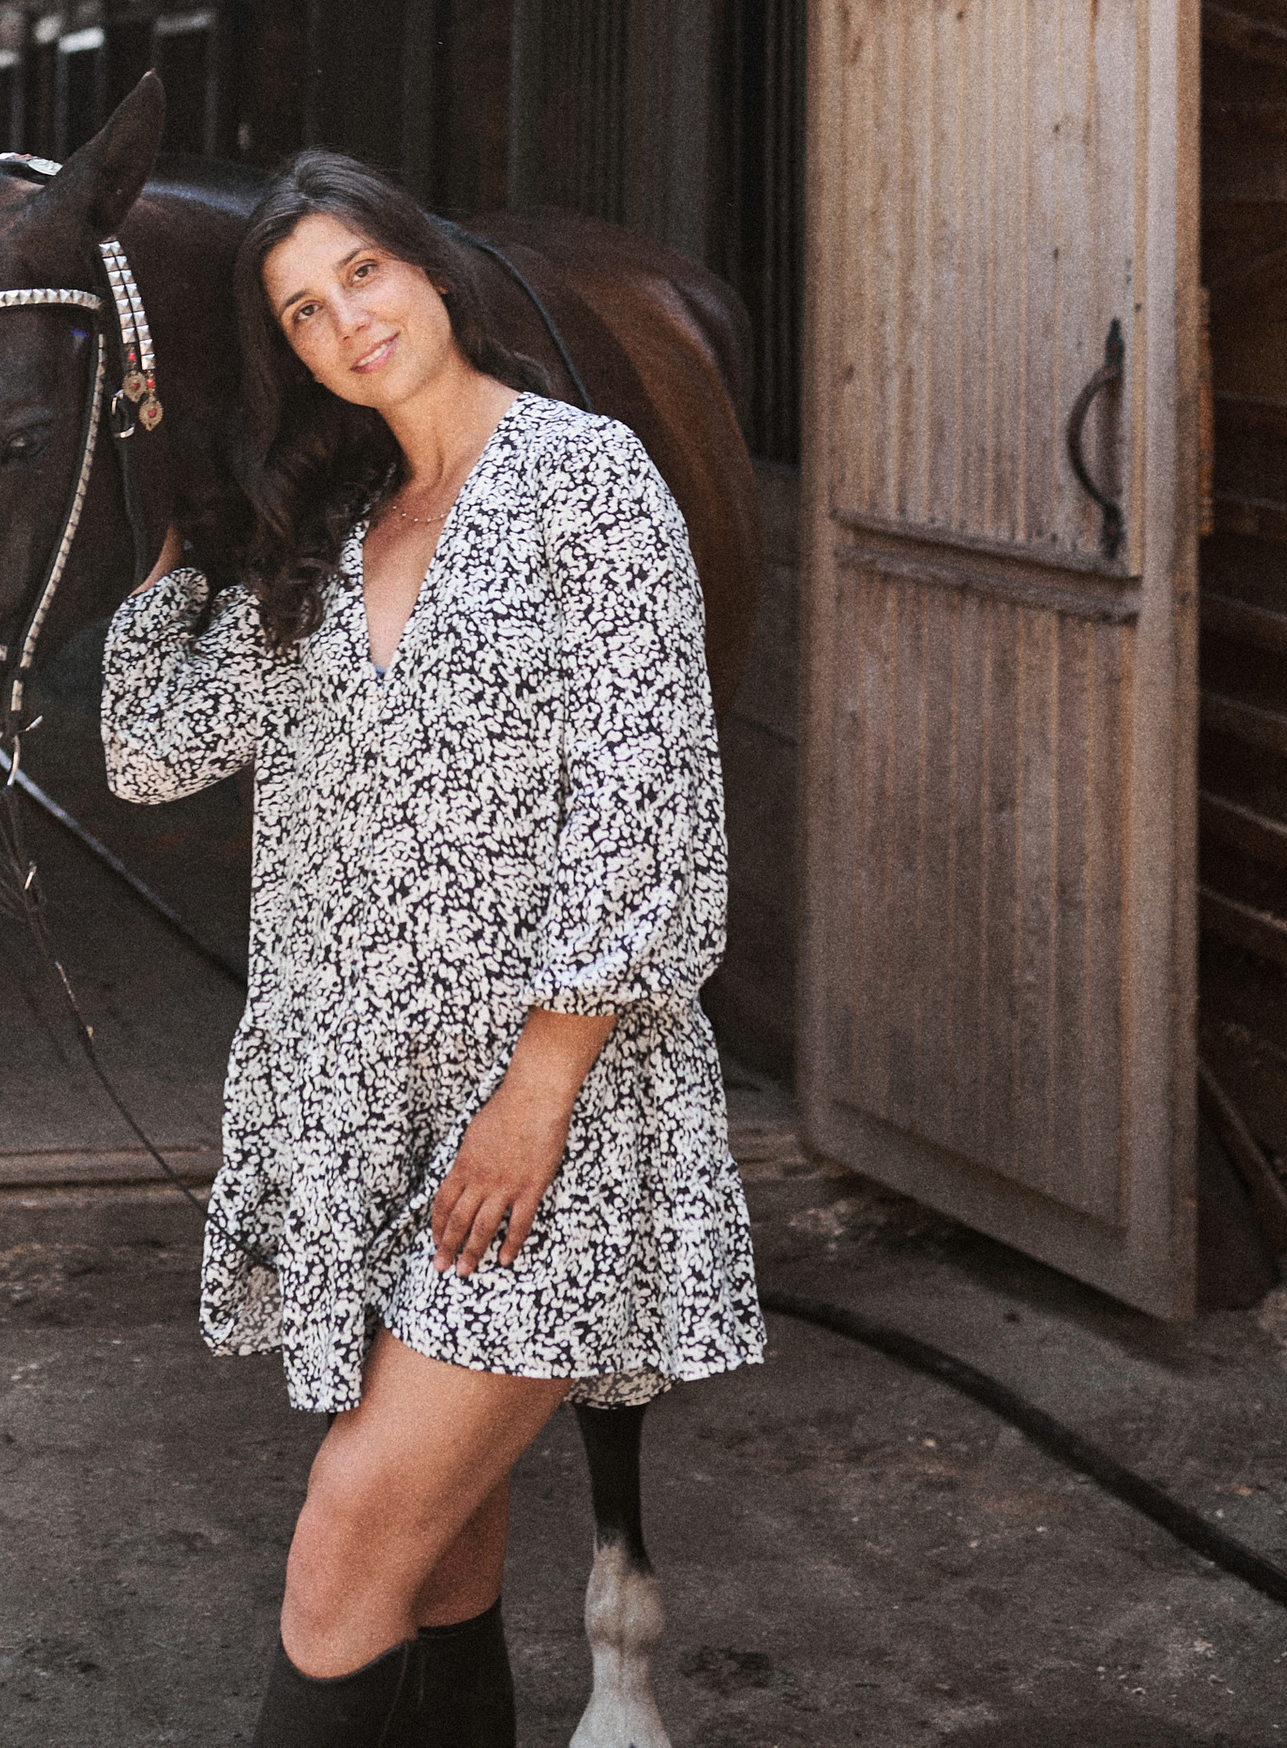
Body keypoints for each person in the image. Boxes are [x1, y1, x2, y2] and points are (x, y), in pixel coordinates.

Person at [102, 149, 762, 1746]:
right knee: (446, 1552)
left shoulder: (585, 483)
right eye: (305, 313)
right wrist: (175, 524)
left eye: (364, 275)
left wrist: (536, 1098)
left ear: (435, 271)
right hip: (360, 1116)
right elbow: (151, 749)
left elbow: (647, 815)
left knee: (344, 1544)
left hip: (545, 1131)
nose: (348, 324)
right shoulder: (327, 530)